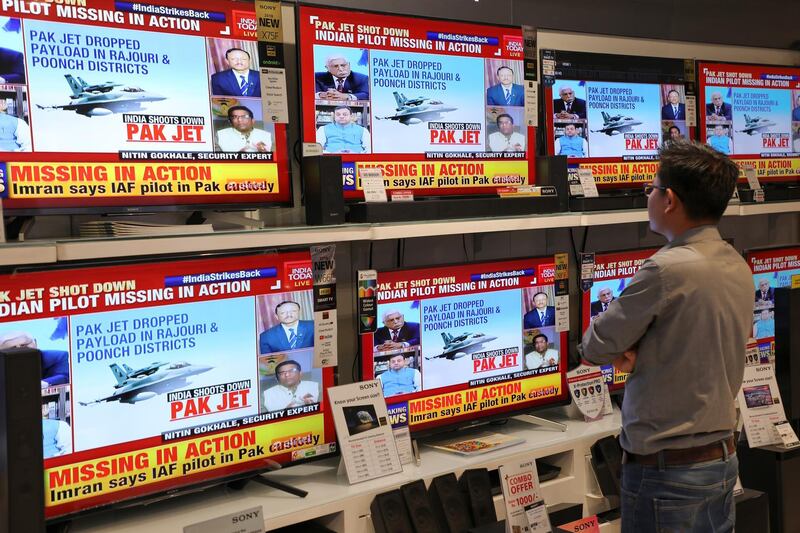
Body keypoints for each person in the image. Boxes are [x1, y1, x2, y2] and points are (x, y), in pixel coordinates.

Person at [581, 140, 751, 533]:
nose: (649, 197)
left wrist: (631, 351)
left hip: (668, 473)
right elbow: (696, 344)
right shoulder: (736, 263)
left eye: (651, 189)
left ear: (669, 200)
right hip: (720, 461)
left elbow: (595, 345)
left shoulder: (666, 270)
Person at [0, 331, 69, 387]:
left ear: (35, 343)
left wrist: (35, 385)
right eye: (12, 348)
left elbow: (64, 377)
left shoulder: (59, 356)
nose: (20, 350)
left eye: (24, 345)